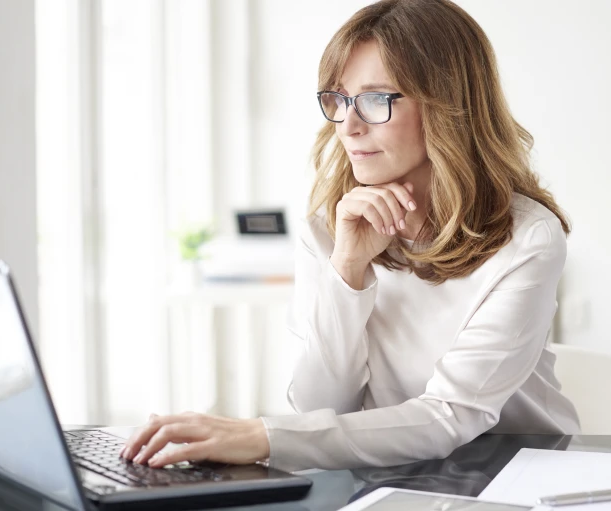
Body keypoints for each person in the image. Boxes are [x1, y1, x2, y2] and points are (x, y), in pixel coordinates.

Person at [120, 0, 580, 472]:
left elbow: (451, 415)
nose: (349, 125)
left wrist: (259, 435)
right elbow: (322, 408)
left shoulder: (527, 239)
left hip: (523, 473)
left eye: (377, 99)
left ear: (449, 106)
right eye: (339, 99)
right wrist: (346, 271)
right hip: (396, 472)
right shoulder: (328, 226)